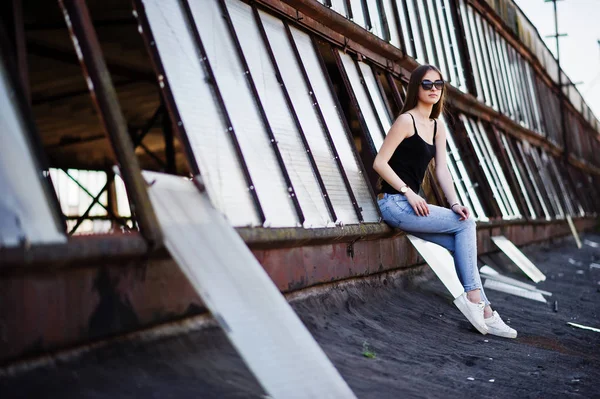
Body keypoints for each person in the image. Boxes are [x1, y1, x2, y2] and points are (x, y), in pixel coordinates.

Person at [373, 64, 517, 338]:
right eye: (427, 84)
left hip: (408, 207)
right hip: (394, 203)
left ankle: (485, 311)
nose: (434, 89)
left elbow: (442, 170)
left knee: (460, 239)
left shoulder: (438, 126)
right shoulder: (407, 121)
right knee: (466, 226)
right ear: (416, 87)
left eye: (438, 84)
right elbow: (379, 162)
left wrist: (454, 204)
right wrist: (408, 191)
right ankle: (476, 302)